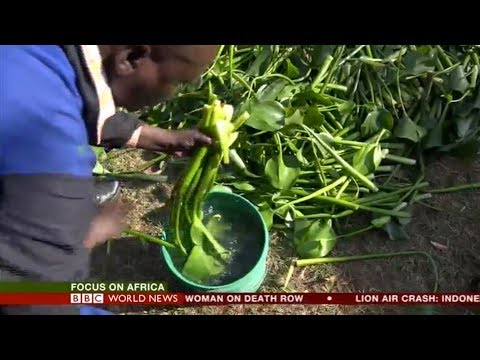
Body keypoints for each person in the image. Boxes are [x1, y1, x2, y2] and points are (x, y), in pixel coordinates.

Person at [0, 45, 218, 315]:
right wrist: (77, 237)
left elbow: (78, 88)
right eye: (175, 82)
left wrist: (159, 137)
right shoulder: (51, 150)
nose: (172, 94)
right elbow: (37, 301)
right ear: (131, 58)